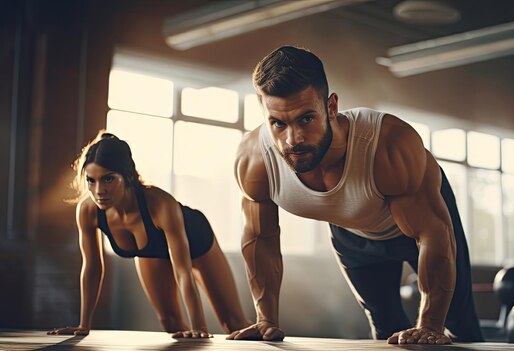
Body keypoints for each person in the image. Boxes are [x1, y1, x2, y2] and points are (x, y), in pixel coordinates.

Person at [228, 46, 484, 345]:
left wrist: (429, 324)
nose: (293, 139)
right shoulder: (255, 159)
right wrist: (266, 320)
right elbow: (262, 239)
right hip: (350, 230)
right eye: (278, 123)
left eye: (306, 119)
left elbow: (431, 233)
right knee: (384, 331)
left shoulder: (388, 144)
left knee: (457, 328)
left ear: (331, 106)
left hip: (417, 224)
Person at [48, 131, 249, 338]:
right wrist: (84, 325)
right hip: (153, 251)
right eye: (91, 180)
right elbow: (92, 267)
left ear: (127, 176)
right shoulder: (88, 211)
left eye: (108, 179)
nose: (99, 190)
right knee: (170, 324)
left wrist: (199, 327)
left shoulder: (161, 204)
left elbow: (182, 272)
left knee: (233, 323)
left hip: (196, 240)